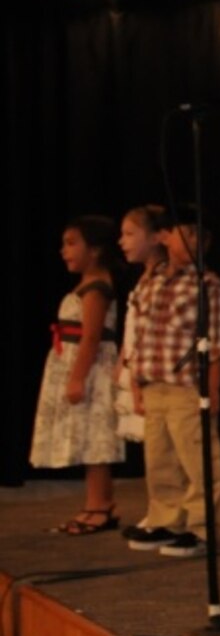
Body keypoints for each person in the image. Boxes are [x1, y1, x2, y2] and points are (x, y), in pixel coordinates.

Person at [122, 209, 220, 558]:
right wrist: (137, 387)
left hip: (187, 386)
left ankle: (203, 526)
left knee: (199, 459)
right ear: (165, 237)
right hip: (154, 384)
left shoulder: (208, 285)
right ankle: (167, 520)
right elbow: (140, 338)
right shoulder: (150, 280)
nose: (192, 242)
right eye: (184, 232)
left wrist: (212, 388)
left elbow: (218, 343)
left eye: (200, 236)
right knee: (160, 459)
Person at [31, 215, 124, 535]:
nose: (64, 251)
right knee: (87, 439)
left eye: (72, 244)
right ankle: (95, 503)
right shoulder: (87, 283)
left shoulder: (98, 287)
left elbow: (92, 336)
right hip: (76, 363)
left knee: (96, 439)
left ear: (95, 250)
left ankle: (101, 506)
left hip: (91, 369)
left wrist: (77, 377)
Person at [115, 206, 170, 545]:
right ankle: (158, 509)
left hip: (153, 371)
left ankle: (167, 513)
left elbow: (154, 331)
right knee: (154, 448)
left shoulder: (165, 276)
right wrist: (124, 360)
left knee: (164, 448)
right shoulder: (145, 277)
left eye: (130, 234)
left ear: (154, 238)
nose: (122, 241)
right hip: (138, 367)